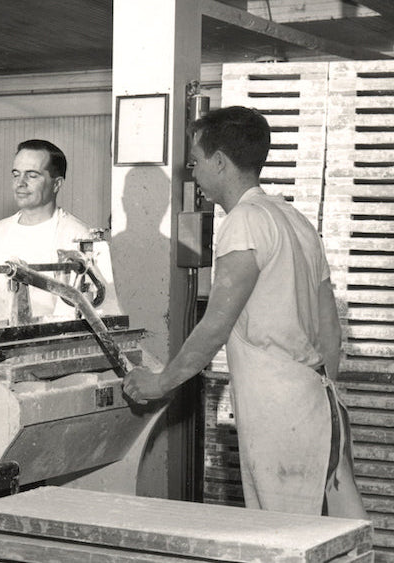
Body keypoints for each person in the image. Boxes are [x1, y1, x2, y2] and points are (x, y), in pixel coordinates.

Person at [122, 106, 366, 518]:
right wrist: (315, 395)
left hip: (279, 414)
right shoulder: (295, 220)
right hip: (320, 403)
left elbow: (215, 325)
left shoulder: (244, 223)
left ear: (220, 162)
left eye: (196, 162)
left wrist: (160, 382)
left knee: (282, 540)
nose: (194, 173)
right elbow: (331, 332)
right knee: (337, 535)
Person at [0, 139, 120, 321]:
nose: (20, 183)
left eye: (32, 175)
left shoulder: (80, 238)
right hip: (3, 346)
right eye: (16, 174)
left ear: (57, 184)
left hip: (60, 347)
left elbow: (103, 314)